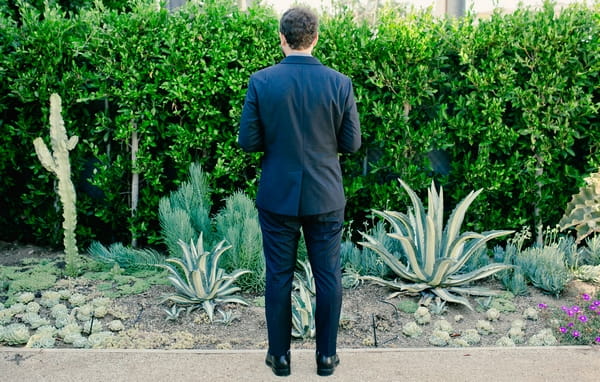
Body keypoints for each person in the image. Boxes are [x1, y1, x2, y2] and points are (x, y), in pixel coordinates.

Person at [238, 7, 361, 377]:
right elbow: (352, 144)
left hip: (278, 195)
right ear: (316, 38)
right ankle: (326, 358)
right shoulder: (340, 83)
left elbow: (248, 141)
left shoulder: (261, 81)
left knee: (278, 276)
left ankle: (280, 359)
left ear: (281, 37)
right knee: (328, 276)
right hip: (325, 196)